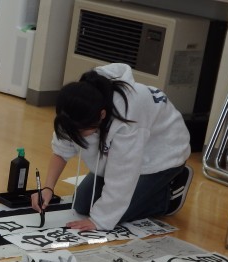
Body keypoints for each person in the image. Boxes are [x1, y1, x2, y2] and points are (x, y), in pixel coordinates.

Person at [31, 63, 193, 232]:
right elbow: (61, 151)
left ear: (101, 115)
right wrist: (48, 188)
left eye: (81, 131)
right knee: (82, 204)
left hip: (162, 154)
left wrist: (99, 220)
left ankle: (167, 196)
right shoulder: (76, 107)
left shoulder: (129, 114)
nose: (76, 136)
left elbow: (123, 175)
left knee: (116, 215)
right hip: (128, 150)